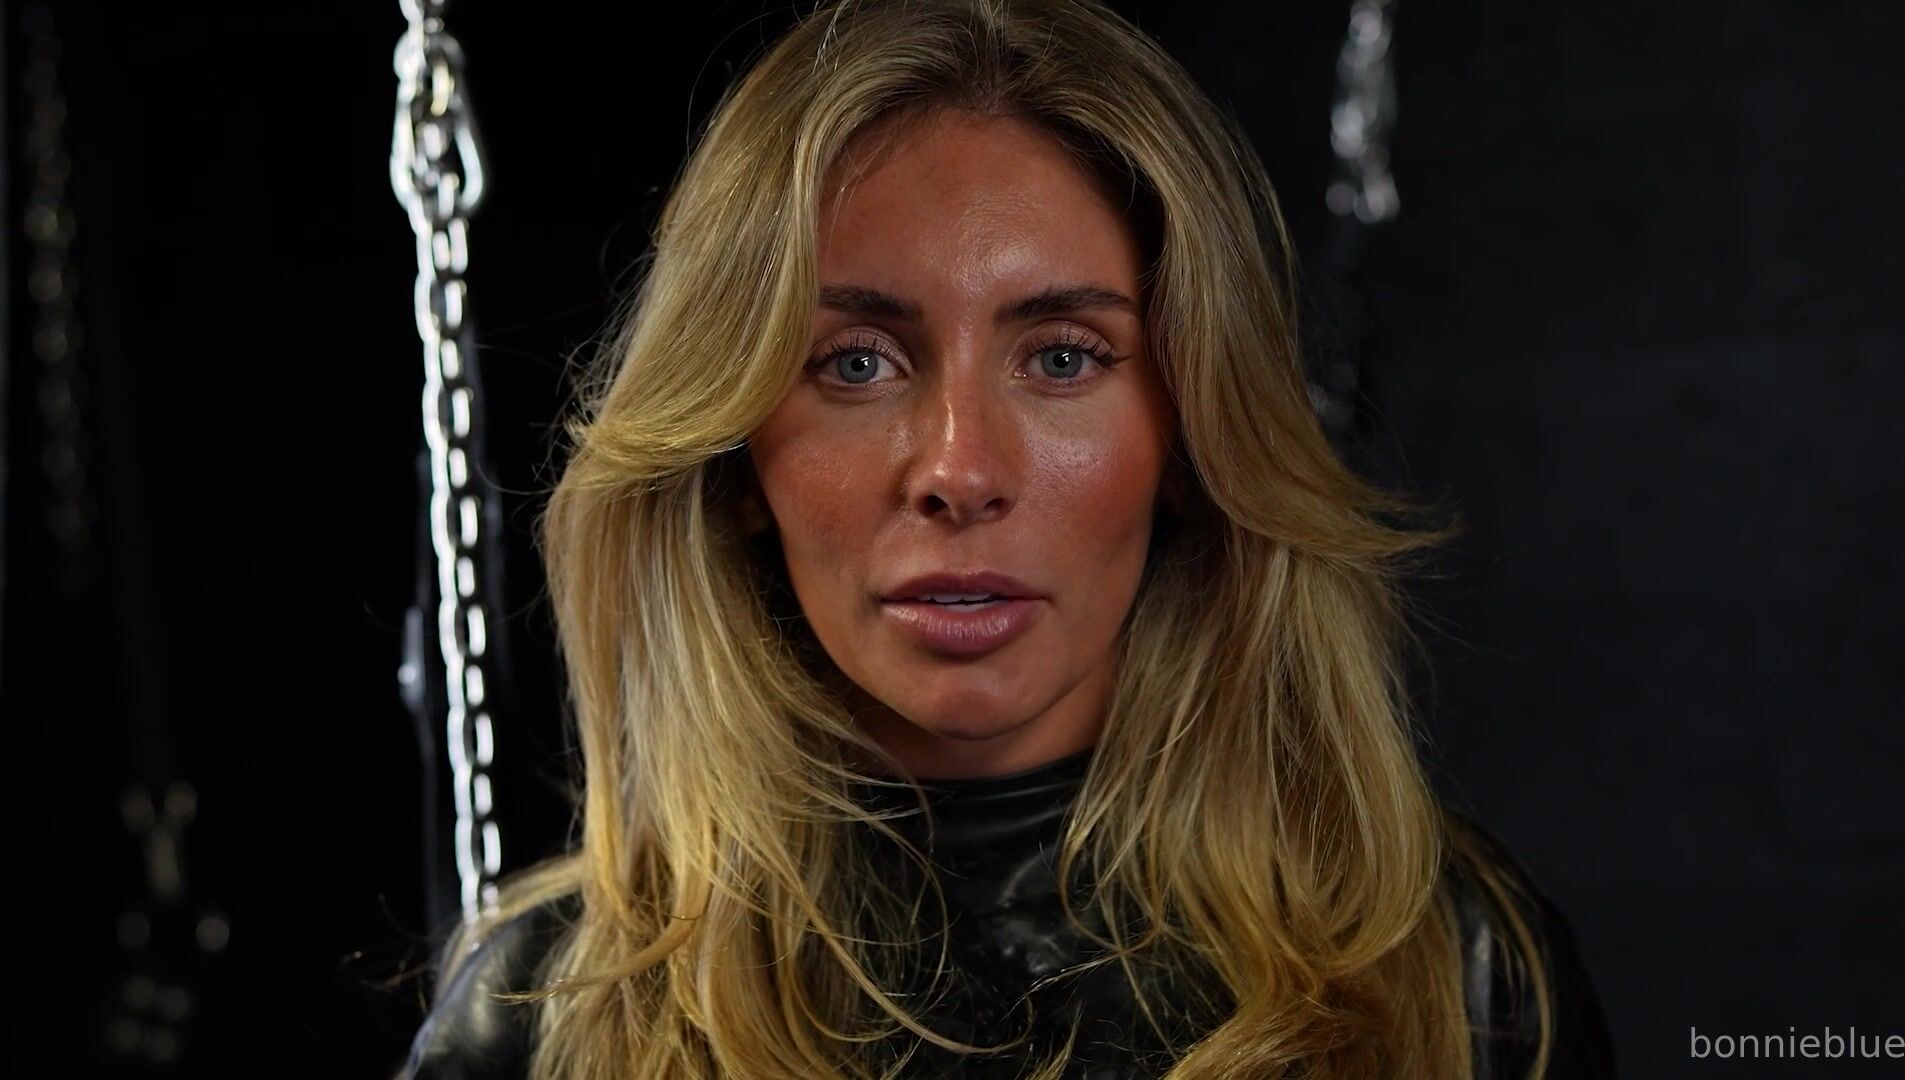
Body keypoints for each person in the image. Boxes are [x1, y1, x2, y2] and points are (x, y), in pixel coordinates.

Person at [401, 0, 1616, 1076]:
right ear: (735, 456)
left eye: (1064, 359)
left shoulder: (1455, 973)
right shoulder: (544, 1016)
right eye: (856, 363)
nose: (961, 471)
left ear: (1190, 435)